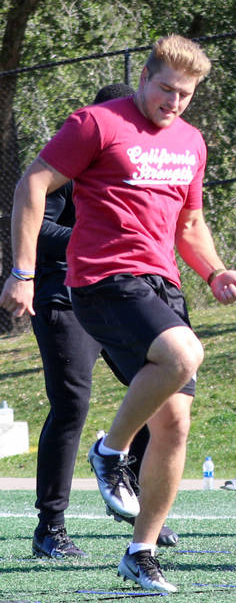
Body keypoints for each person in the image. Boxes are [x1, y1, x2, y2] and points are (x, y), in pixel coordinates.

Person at [0, 35, 236, 592]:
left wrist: (214, 272)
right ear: (144, 77)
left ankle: (141, 550)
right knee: (185, 354)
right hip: (103, 279)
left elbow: (188, 225)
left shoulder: (191, 142)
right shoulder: (95, 123)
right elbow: (32, 184)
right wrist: (21, 271)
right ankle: (109, 452)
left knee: (175, 424)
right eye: (166, 89)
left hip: (163, 283)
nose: (175, 102)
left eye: (186, 94)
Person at [25, 83, 178, 559]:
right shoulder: (69, 160)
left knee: (161, 397)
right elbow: (40, 225)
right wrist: (96, 238)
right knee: (71, 404)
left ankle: (136, 502)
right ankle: (51, 527)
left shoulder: (143, 167)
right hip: (65, 295)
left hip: (121, 296)